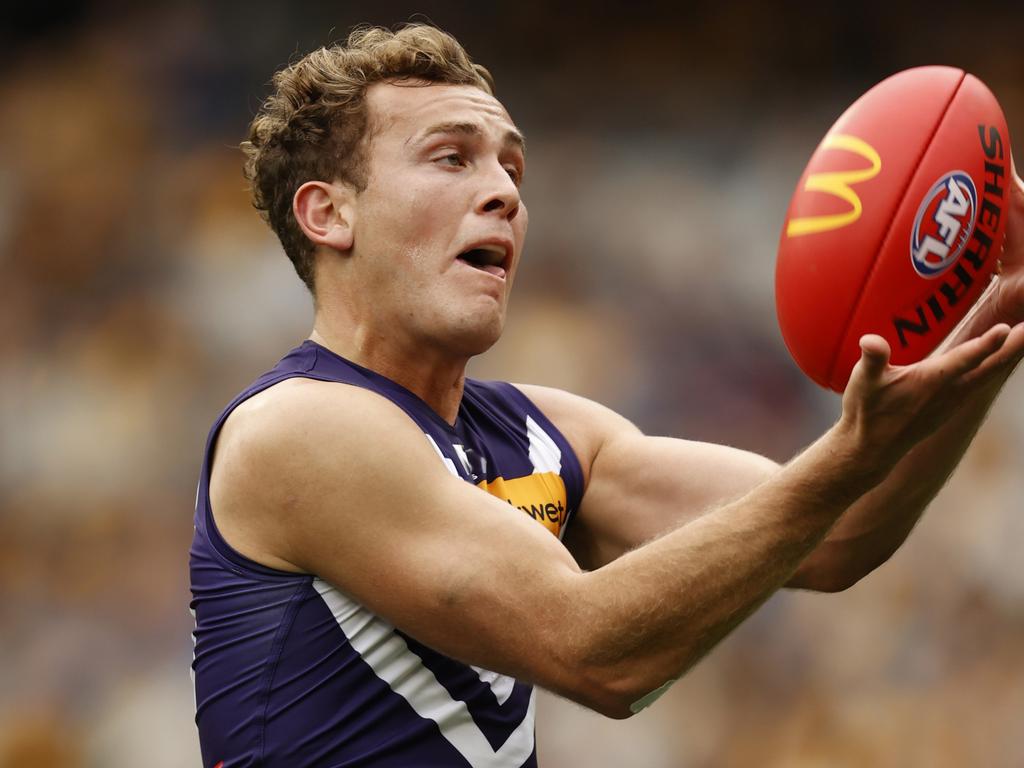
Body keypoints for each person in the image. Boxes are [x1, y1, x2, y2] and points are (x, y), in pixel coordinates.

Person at [189, 23, 1024, 768]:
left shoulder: (550, 432)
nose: (506, 193)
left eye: (511, 166)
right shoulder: (297, 428)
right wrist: (849, 454)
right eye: (452, 157)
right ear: (329, 215)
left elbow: (836, 533)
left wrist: (1000, 322)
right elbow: (595, 652)